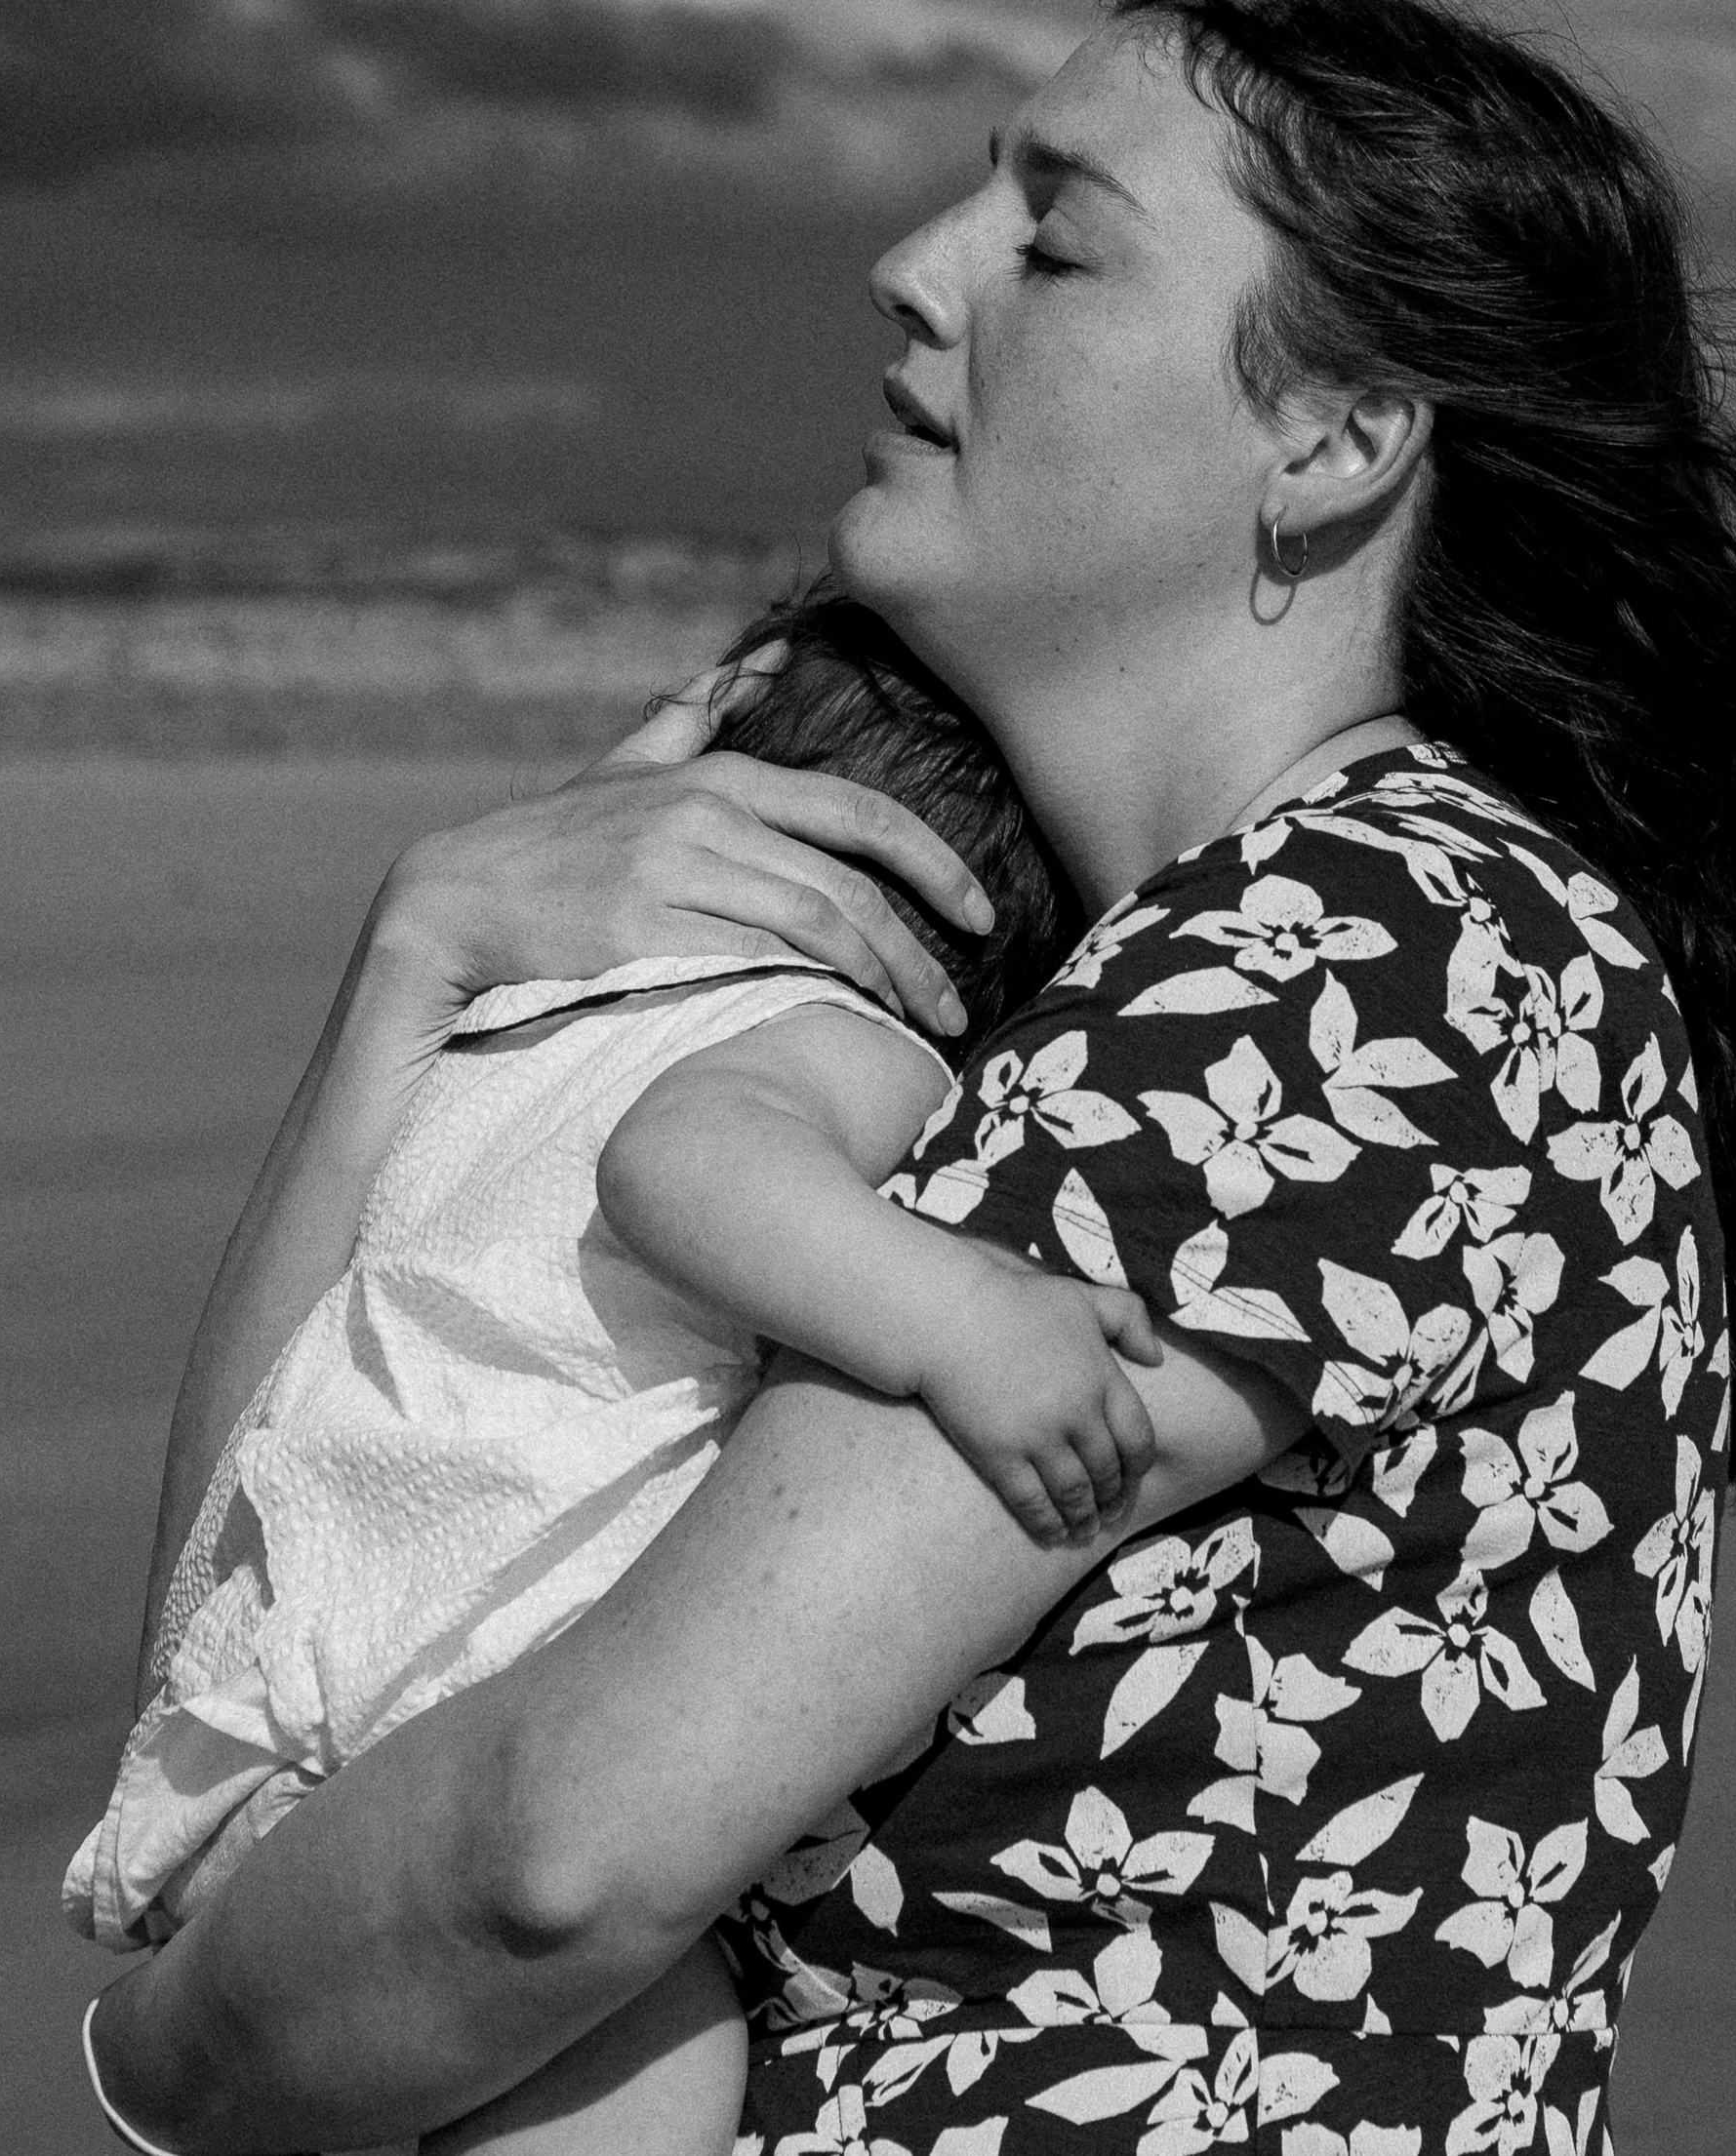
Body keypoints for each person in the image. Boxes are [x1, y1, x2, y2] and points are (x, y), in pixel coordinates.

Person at [84, 0, 1736, 2156]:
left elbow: (544, 1862)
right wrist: (412, 972)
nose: (907, 266)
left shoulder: (1346, 964)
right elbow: (271, 1593)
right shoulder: (1168, 976)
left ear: (1333, 438)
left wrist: (157, 2051)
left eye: (1051, 236)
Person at [72, 590, 1135, 2147]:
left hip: (252, 1703)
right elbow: (683, 1165)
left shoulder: (508, 1014)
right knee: (664, 2070)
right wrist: (958, 1311)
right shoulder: (846, 1033)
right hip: (440, 1728)